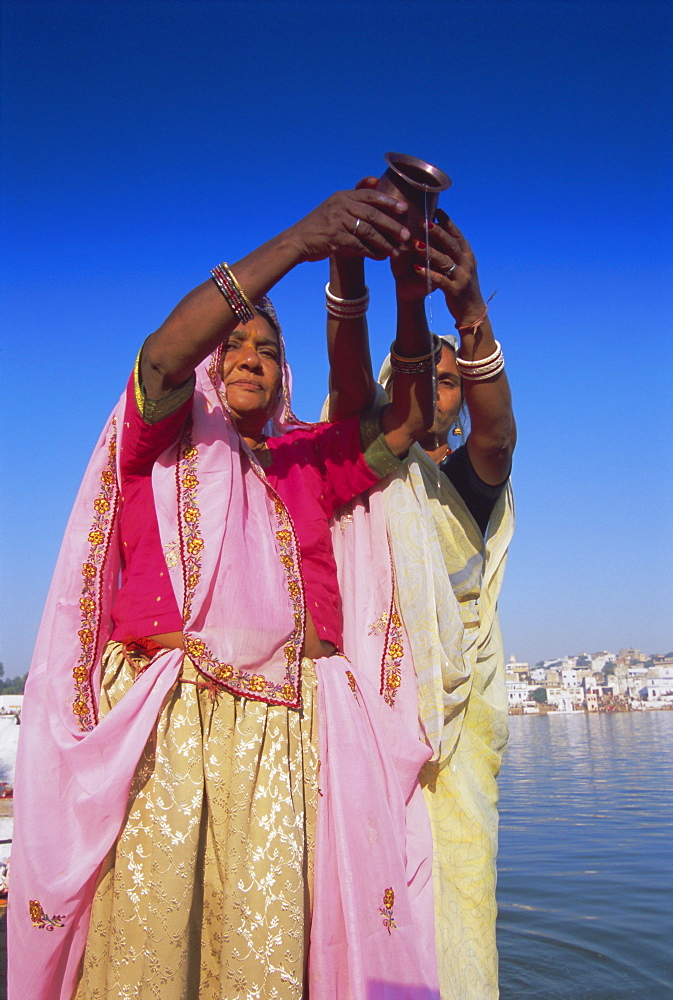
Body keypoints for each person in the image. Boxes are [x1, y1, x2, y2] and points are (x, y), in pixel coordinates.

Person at [9, 183, 441, 1000]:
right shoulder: (163, 435)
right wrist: (302, 240)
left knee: (262, 956)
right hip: (173, 728)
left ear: (283, 375)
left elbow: (407, 424)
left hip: (285, 739)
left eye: (268, 350)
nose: (249, 357)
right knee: (154, 946)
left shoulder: (305, 459)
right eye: (234, 343)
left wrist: (411, 295)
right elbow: (163, 355)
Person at [324, 204, 516, 1000]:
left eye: (448, 381)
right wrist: (348, 277)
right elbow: (345, 394)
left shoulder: (466, 482)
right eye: (423, 376)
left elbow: (499, 440)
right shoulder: (360, 469)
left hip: (455, 742)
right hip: (366, 728)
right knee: (364, 903)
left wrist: (470, 316)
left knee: (458, 910)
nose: (436, 390)